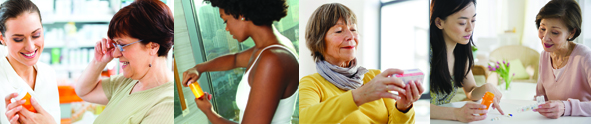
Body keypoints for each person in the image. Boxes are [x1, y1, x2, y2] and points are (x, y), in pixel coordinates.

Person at [299, 3, 424, 124]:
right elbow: (304, 120)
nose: (350, 36)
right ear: (318, 40)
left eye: (353, 29)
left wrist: (403, 108)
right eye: (339, 31)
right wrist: (360, 95)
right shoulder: (312, 83)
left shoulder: (374, 76)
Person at [181, 0, 299, 123]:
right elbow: (235, 59)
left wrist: (209, 112)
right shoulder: (269, 48)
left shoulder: (273, 60)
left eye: (226, 21)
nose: (226, 28)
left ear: (241, 13)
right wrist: (199, 68)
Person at [74, 0, 174, 123]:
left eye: (122, 45)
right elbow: (84, 91)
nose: (115, 54)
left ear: (153, 46)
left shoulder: (167, 104)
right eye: (115, 44)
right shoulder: (128, 82)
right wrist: (98, 61)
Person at [428, 0, 505, 122]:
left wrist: (486, 87)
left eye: (473, 20)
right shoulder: (426, 54)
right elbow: (414, 105)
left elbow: (470, 91)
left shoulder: (461, 52)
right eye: (462, 22)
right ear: (439, 22)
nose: (470, 28)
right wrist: (456, 113)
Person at [0, 0, 60, 123]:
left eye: (36, 35)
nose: (30, 47)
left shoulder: (48, 73)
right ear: (2, 38)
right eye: (18, 39)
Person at [533, 0, 591, 119]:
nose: (545, 38)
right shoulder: (544, 55)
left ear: (571, 32)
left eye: (555, 32)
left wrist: (566, 107)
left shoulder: (585, 57)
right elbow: (540, 98)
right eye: (542, 29)